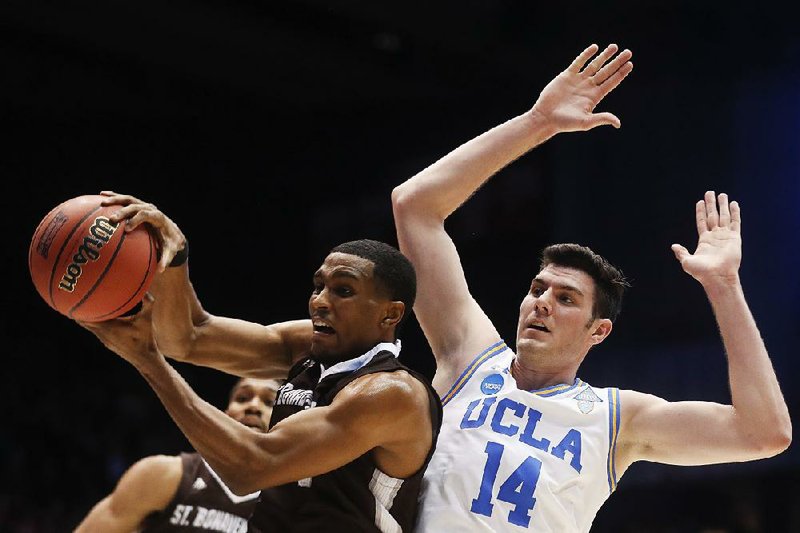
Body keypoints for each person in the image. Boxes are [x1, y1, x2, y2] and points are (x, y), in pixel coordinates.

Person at [390, 43, 792, 531]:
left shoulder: (615, 419)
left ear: (597, 331)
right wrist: (539, 122)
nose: (542, 303)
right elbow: (415, 207)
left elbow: (765, 434)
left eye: (565, 299)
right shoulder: (469, 357)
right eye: (538, 289)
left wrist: (724, 286)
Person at [77, 226, 443, 532]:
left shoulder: (391, 394)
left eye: (343, 290)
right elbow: (188, 337)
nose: (319, 301)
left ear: (390, 314)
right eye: (318, 286)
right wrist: (173, 254)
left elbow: (252, 466)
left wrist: (149, 364)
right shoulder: (308, 348)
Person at [75, 376, 282, 532]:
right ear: (225, 414)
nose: (253, 406)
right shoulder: (163, 475)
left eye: (270, 402)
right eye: (243, 398)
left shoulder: (299, 501)